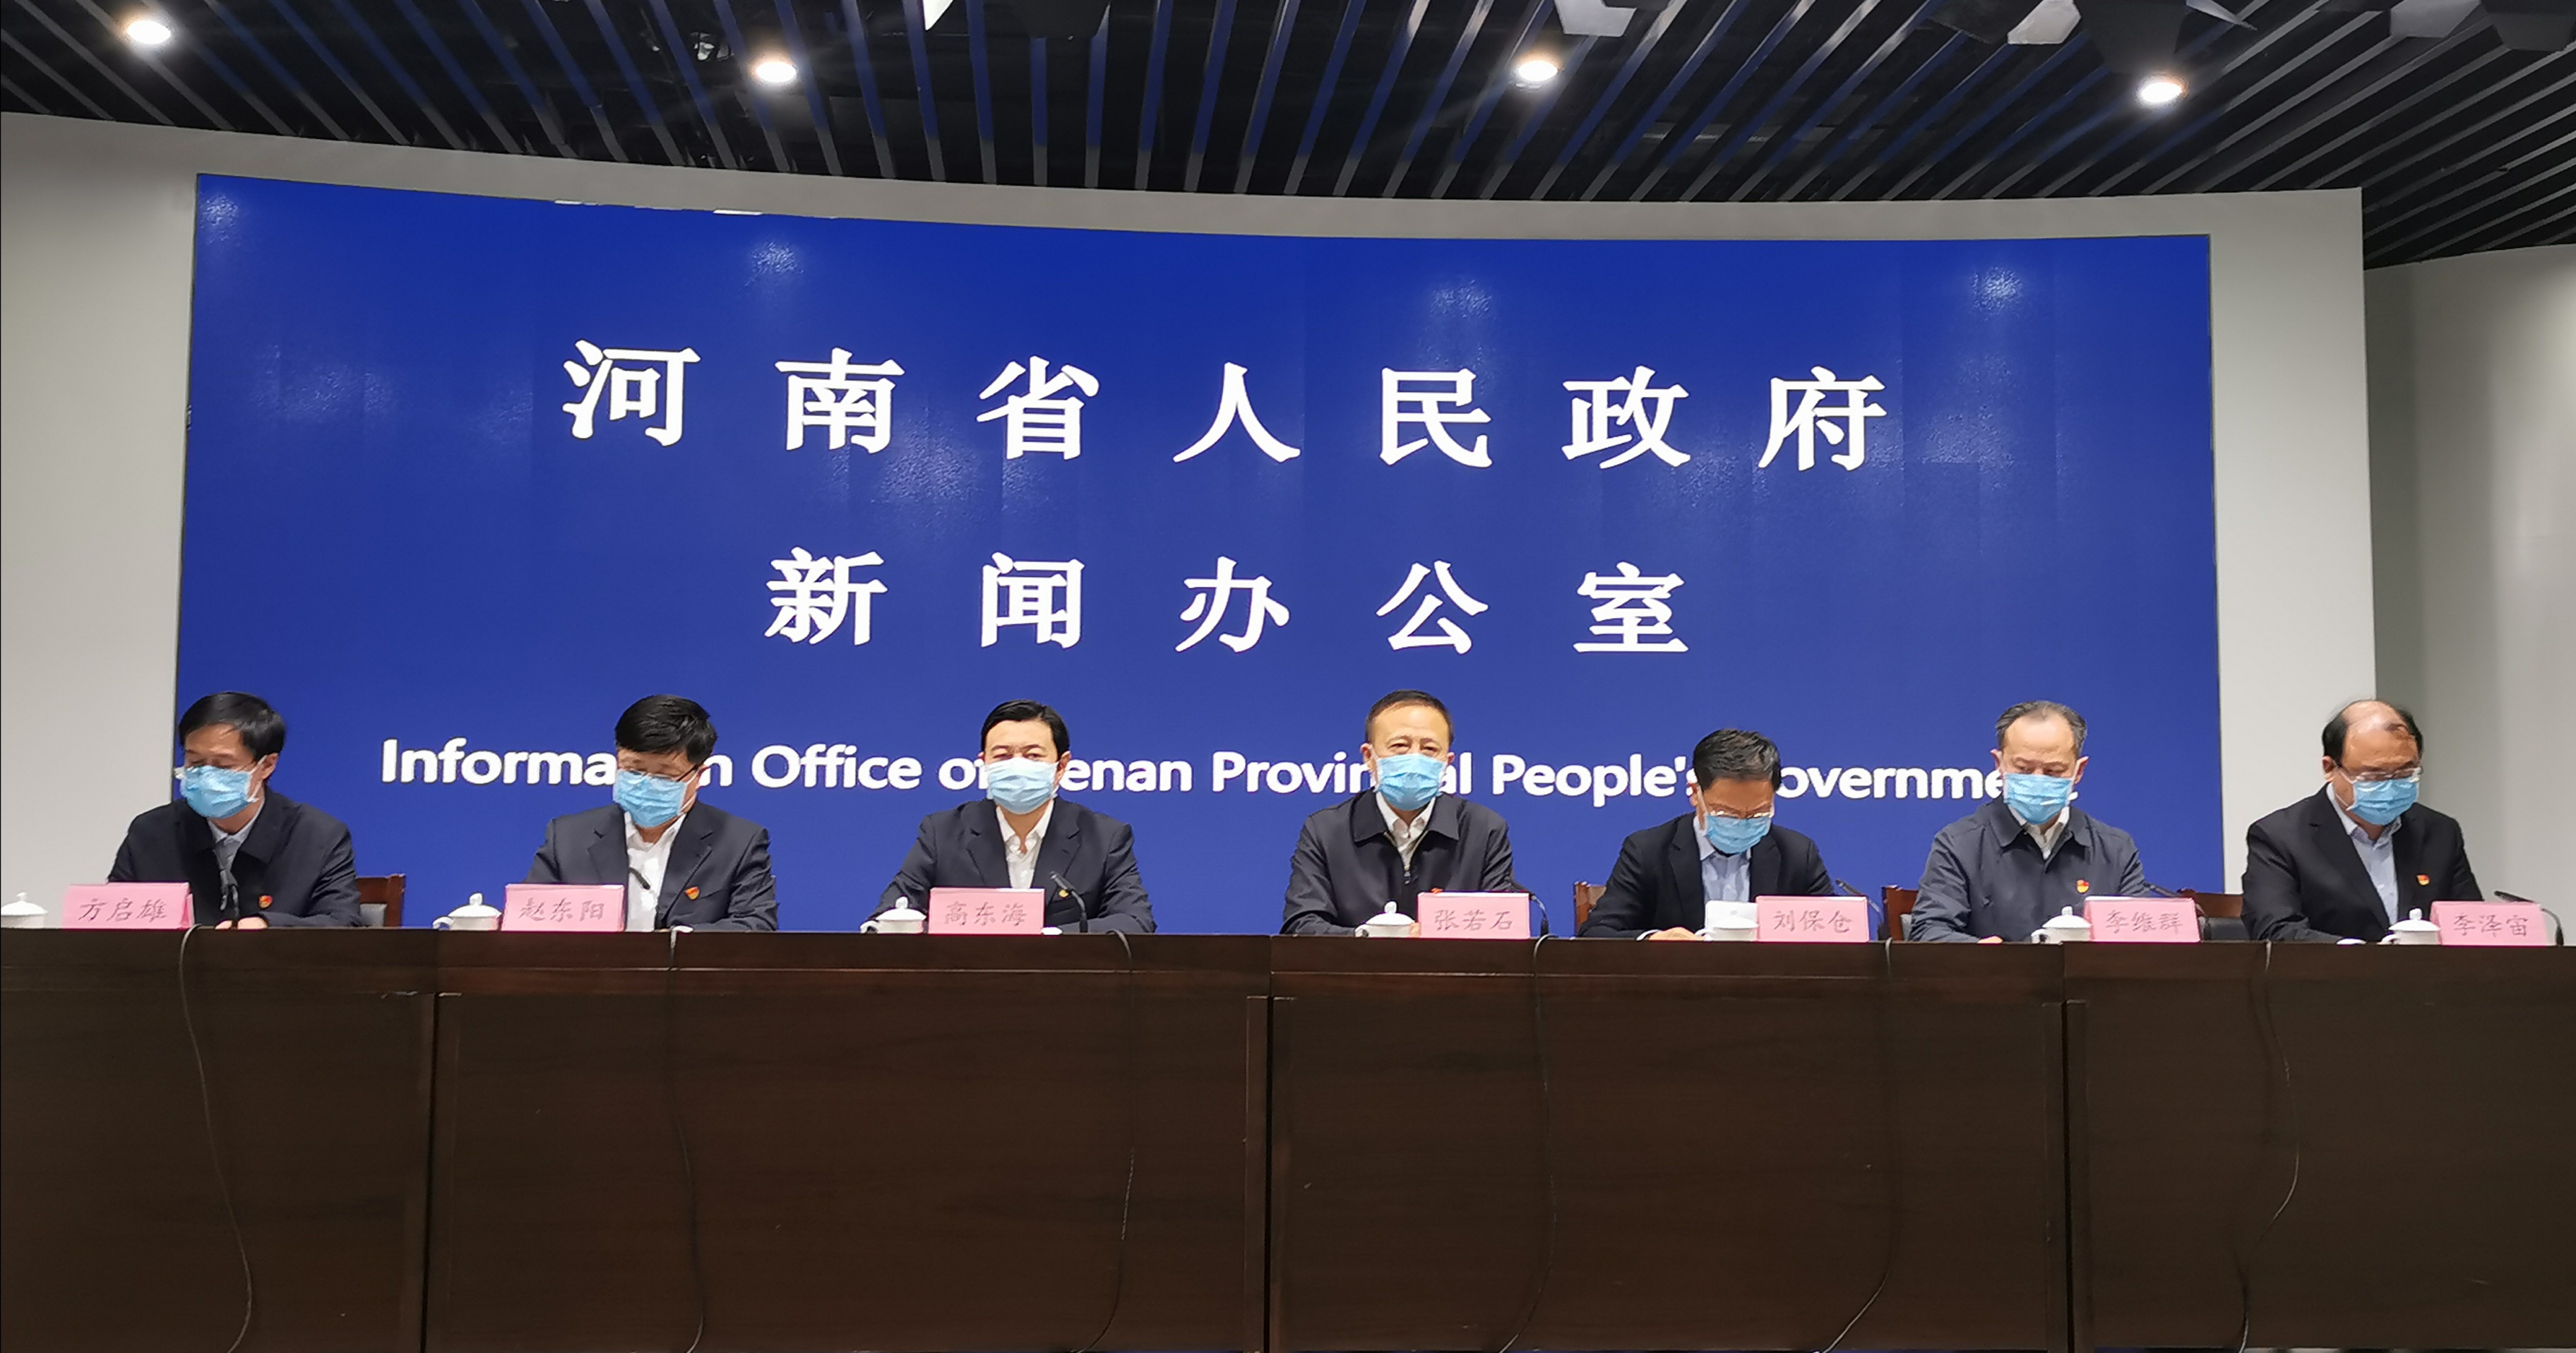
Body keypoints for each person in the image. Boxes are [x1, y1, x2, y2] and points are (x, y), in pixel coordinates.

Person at [876, 700, 1153, 932]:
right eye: (1003, 756)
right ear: (984, 763)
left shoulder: (1104, 837)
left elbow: (1135, 921)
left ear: (1061, 766)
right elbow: (889, 915)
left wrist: (1050, 938)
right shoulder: (942, 832)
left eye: (1033, 756)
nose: (1017, 766)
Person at [109, 691, 360, 927]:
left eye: (223, 766)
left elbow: (343, 922)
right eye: (195, 762)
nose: (207, 775)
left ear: (267, 765)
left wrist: (269, 926)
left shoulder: (318, 837)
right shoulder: (151, 833)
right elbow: (111, 921)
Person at [525, 696, 776, 931]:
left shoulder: (739, 842)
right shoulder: (568, 837)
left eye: (664, 775)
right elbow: (528, 921)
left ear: (699, 775)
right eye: (634, 770)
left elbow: (755, 925)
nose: (646, 783)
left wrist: (673, 944)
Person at [2241, 699, 2481, 942]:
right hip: (2333, 967)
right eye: (2373, 775)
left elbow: (2471, 929)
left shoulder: (2440, 832)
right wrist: (2362, 956)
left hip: (2427, 968)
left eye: (2405, 772)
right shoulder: (2280, 836)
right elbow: (2276, 932)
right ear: (2330, 768)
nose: (2390, 786)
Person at [1282, 689, 1517, 935]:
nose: (1414, 758)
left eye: (1429, 749)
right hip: (1356, 961)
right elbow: (1302, 925)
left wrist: (1434, 936)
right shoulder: (1326, 830)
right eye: (1400, 746)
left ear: (1447, 762)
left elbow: (1503, 927)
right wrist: (1373, 939)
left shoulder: (1483, 829)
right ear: (1369, 757)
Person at [1909, 699, 2147, 942]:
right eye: (2023, 769)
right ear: (1999, 764)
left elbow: (2143, 940)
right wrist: (1980, 951)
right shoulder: (1959, 844)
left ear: (2079, 771)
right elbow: (1928, 931)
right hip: (1994, 967)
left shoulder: (2115, 849)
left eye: (2054, 771)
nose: (2038, 780)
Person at [1582, 728, 1835, 940]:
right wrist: (1653, 941)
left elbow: (1836, 937)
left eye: (1758, 813)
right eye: (1726, 813)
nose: (1742, 822)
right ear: (1695, 793)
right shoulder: (1648, 850)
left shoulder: (1798, 854)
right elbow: (1596, 934)